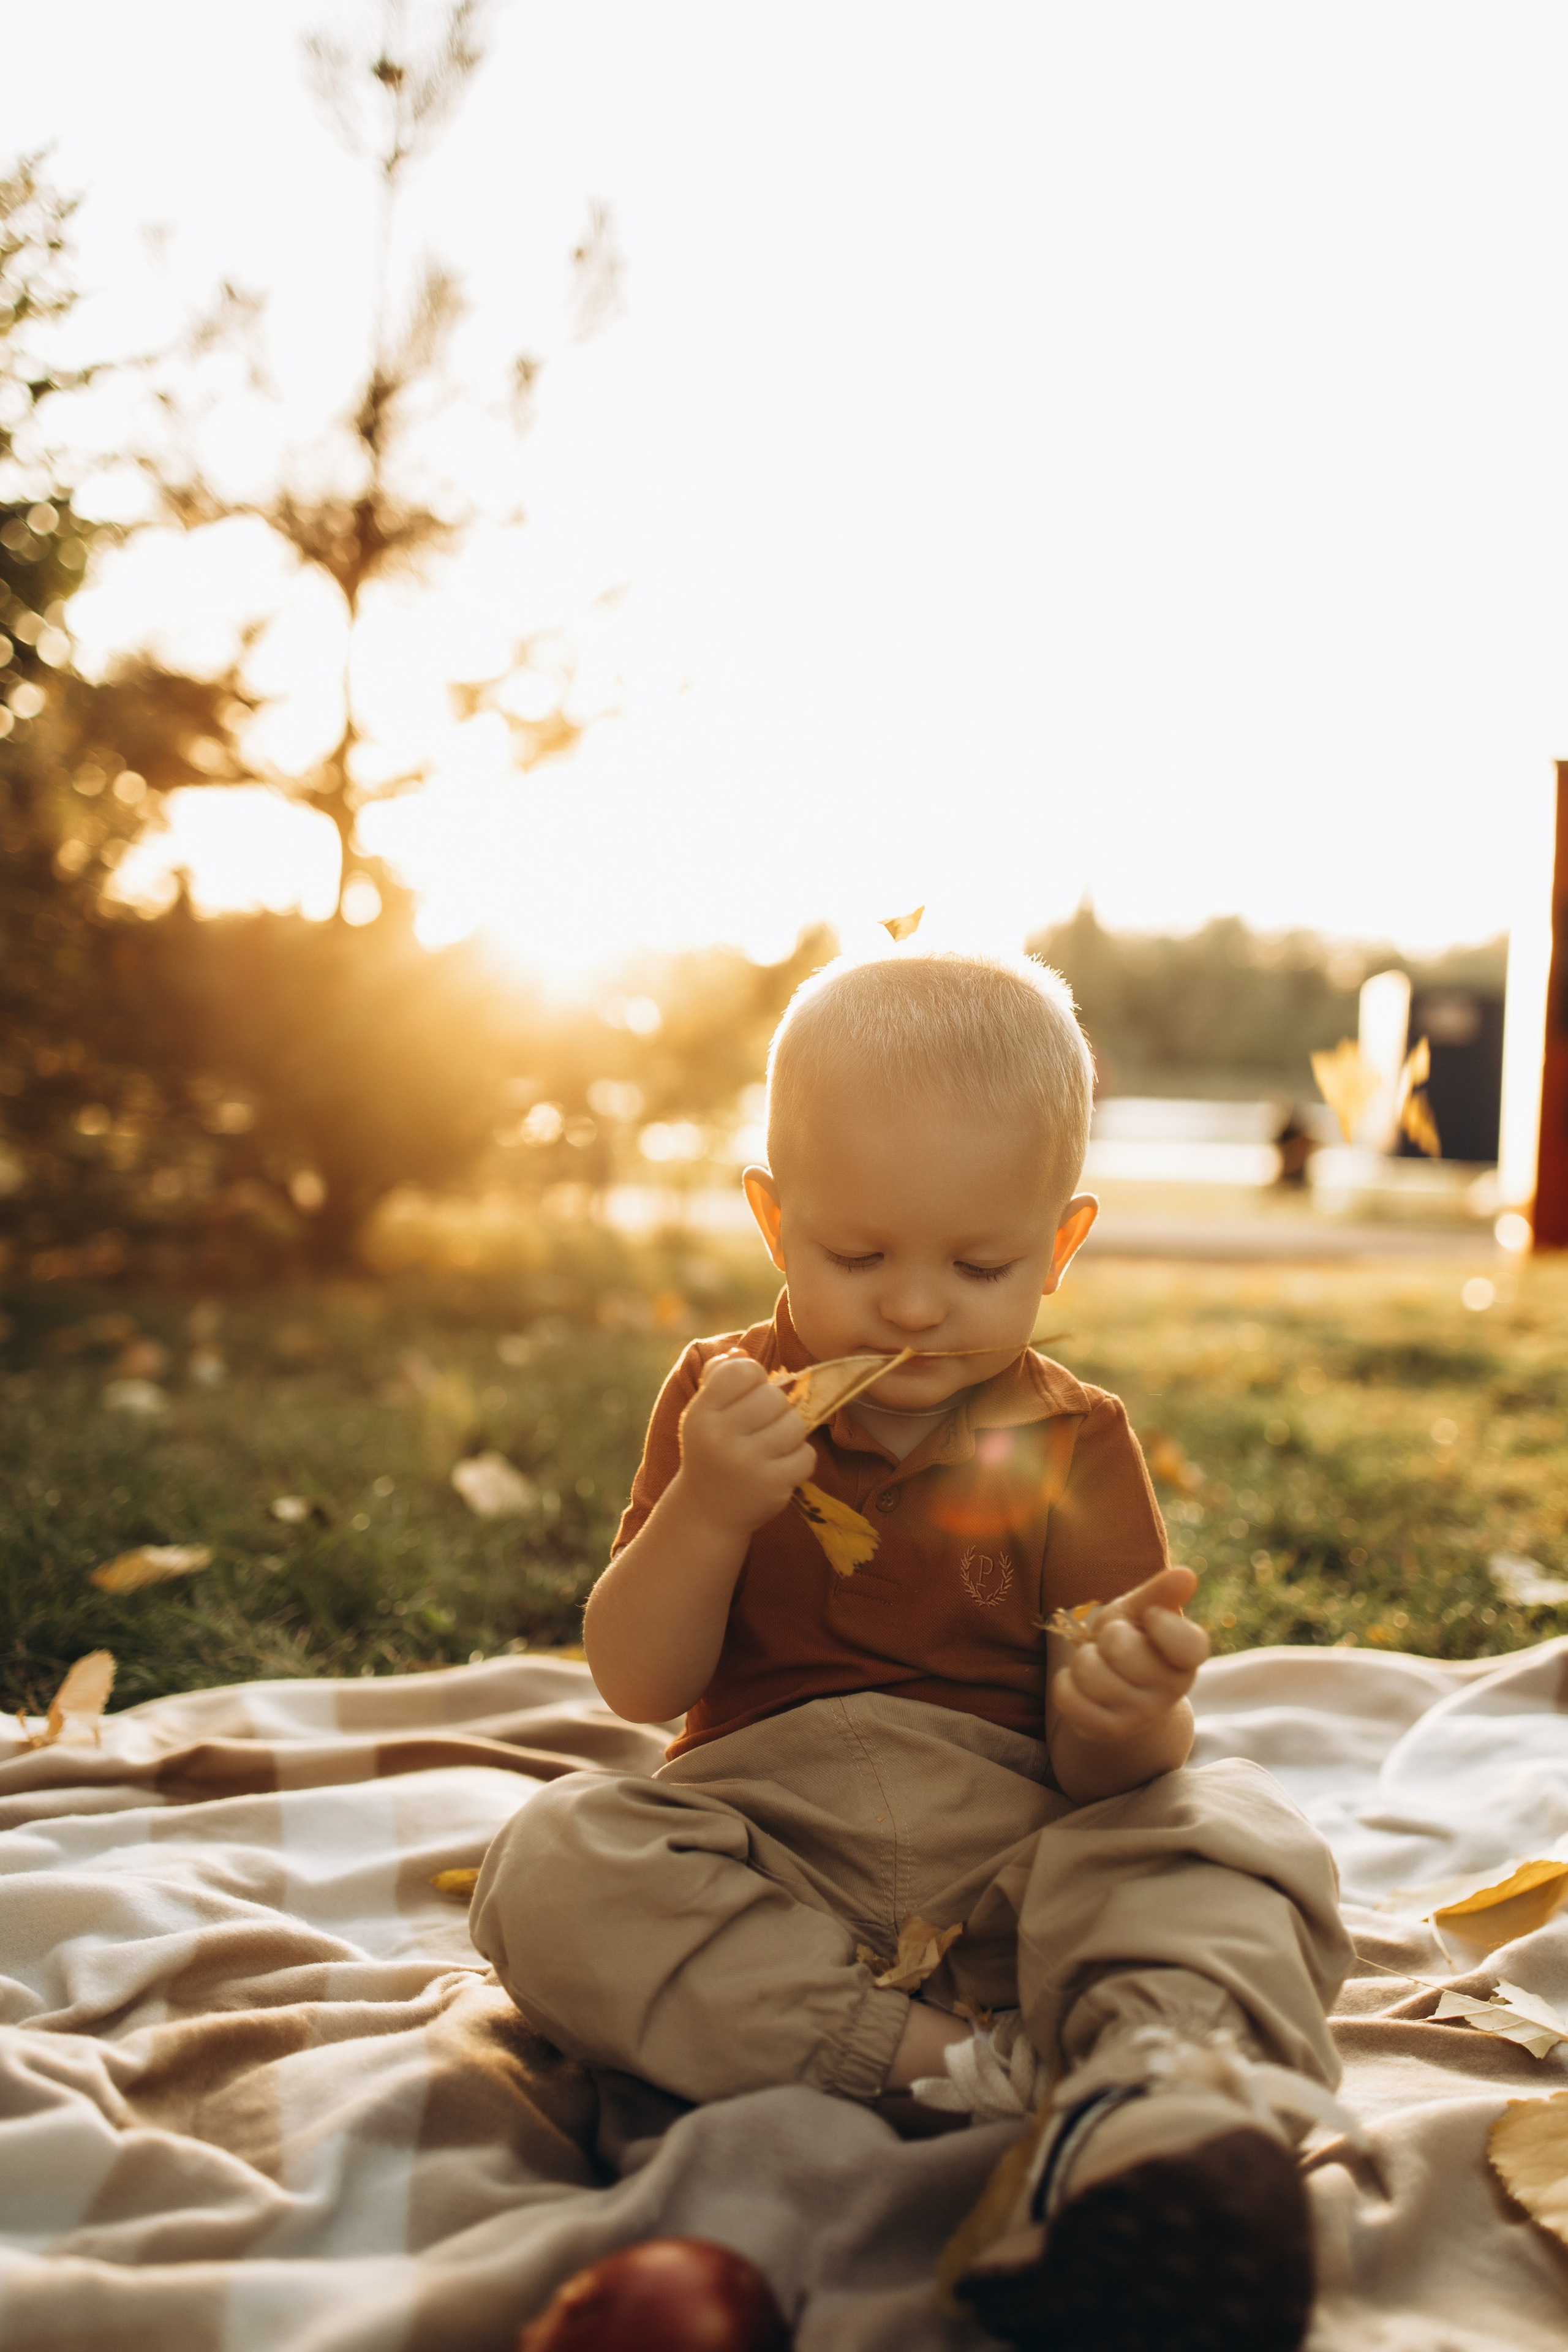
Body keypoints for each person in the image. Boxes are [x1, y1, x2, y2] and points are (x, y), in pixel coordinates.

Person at [472, 944, 1354, 2352]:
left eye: (979, 1263)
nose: (913, 1306)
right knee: (553, 1861)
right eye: (858, 1254)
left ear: (1058, 1248)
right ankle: (952, 2071)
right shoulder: (725, 1402)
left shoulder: (1071, 1441)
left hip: (1021, 1859)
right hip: (767, 1848)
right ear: (773, 1221)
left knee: (1230, 1840)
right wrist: (706, 1512)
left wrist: (1124, 1709)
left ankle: (1154, 2110)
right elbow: (637, 1684)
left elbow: (1100, 1769)